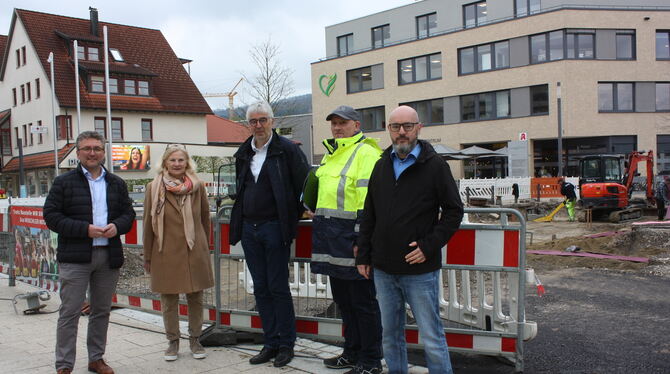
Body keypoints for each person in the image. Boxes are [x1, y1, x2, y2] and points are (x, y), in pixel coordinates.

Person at [356, 106, 463, 374]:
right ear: (388, 129)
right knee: (390, 337)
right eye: (395, 127)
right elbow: (370, 214)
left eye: (407, 126)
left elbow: (454, 211)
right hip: (383, 268)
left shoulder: (435, 166)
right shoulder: (381, 166)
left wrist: (429, 245)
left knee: (431, 337)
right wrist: (363, 255)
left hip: (419, 271)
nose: (401, 132)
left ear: (419, 128)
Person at [43, 131, 136, 374]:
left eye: (97, 148)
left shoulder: (116, 183)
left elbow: (129, 215)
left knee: (101, 311)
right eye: (87, 148)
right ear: (78, 152)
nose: (92, 152)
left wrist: (117, 227)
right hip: (75, 257)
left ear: (103, 152)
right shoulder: (63, 182)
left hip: (108, 257)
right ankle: (64, 365)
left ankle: (96, 359)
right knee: (70, 312)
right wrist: (85, 230)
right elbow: (51, 217)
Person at [229, 101, 309, 367]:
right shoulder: (243, 153)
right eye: (253, 121)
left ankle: (286, 344)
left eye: (263, 120)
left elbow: (304, 185)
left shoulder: (287, 150)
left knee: (277, 287)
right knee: (260, 288)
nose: (258, 125)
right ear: (248, 125)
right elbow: (241, 188)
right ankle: (270, 342)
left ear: (272, 121)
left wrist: (295, 215)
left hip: (275, 227)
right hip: (250, 229)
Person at [310, 105, 384, 374]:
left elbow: (370, 204)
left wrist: (361, 241)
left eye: (343, 123)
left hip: (352, 241)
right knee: (345, 303)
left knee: (364, 304)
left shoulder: (367, 153)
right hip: (331, 240)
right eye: (334, 124)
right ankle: (351, 353)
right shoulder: (332, 155)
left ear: (356, 125)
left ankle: (371, 361)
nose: (337, 128)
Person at [142, 144, 214, 361]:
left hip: (194, 249)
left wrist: (203, 246)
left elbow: (204, 219)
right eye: (172, 160)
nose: (177, 164)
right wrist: (147, 255)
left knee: (196, 297)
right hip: (165, 251)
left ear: (187, 163)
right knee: (169, 299)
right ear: (165, 162)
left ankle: (195, 339)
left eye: (181, 160)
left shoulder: (198, 186)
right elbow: (147, 224)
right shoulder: (152, 188)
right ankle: (173, 342)